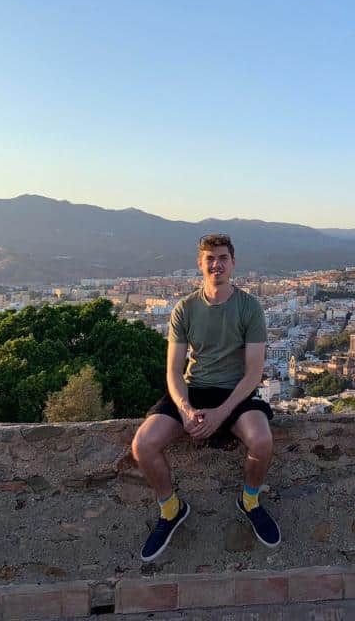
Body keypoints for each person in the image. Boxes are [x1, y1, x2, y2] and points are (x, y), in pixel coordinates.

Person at [131, 233, 280, 561]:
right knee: (143, 444)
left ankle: (250, 500)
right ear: (200, 264)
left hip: (235, 392)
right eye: (210, 259)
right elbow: (173, 370)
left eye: (223, 258)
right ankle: (171, 509)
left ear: (233, 263)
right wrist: (185, 410)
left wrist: (222, 412)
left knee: (262, 441)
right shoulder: (184, 309)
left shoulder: (249, 307)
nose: (217, 264)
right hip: (193, 388)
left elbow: (253, 373)